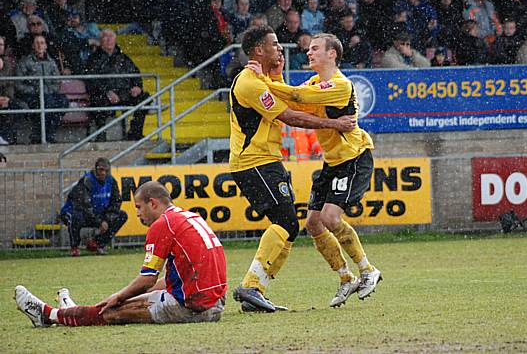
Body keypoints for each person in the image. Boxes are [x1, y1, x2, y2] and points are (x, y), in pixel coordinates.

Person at [229, 25, 356, 312]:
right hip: (254, 162)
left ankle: (255, 292)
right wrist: (335, 123)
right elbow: (290, 116)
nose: (279, 49)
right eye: (274, 45)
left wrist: (276, 75)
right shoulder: (249, 82)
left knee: (290, 225)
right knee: (286, 221)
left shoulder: (262, 79)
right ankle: (251, 286)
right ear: (259, 50)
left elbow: (281, 100)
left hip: (266, 160)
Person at [249, 32, 382, 308]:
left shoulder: (340, 85)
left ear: (332, 54)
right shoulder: (315, 82)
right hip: (332, 162)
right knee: (312, 223)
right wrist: (275, 76)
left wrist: (261, 81)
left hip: (353, 158)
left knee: (331, 218)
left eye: (315, 49)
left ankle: (368, 270)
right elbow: (294, 103)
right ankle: (346, 277)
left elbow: (299, 95)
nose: (309, 53)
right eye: (309, 50)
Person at [15, 181, 227, 327]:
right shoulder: (190, 217)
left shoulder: (163, 225)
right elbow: (178, 278)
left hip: (194, 308)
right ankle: (71, 311)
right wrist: (126, 296)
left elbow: (147, 279)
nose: (137, 213)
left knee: (110, 313)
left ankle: (49, 315)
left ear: (152, 203)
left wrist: (119, 296)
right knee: (124, 302)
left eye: (139, 207)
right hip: (215, 304)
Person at [84, 29, 149, 141]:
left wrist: (137, 86)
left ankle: (135, 132)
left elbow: (135, 74)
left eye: (111, 36)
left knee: (144, 98)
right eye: (106, 37)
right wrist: (107, 92)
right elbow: (92, 81)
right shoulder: (93, 59)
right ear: (100, 40)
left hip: (124, 93)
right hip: (104, 95)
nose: (109, 40)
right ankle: (101, 134)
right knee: (99, 100)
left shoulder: (124, 58)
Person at [59, 158, 128, 257]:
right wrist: (100, 222)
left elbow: (116, 203)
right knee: (74, 217)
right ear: (95, 169)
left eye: (106, 170)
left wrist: (107, 220)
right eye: (101, 170)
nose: (103, 173)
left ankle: (97, 243)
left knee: (122, 215)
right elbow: (84, 205)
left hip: (97, 214)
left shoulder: (111, 181)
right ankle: (74, 247)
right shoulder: (87, 181)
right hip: (77, 212)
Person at [15, 34, 68, 143]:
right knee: (47, 103)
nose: (40, 45)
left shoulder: (51, 62)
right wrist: (36, 90)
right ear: (33, 46)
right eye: (37, 43)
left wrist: (48, 91)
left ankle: (48, 134)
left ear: (46, 46)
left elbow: (57, 81)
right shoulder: (25, 62)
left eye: (42, 43)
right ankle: (41, 136)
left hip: (50, 95)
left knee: (63, 102)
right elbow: (19, 84)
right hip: (32, 96)